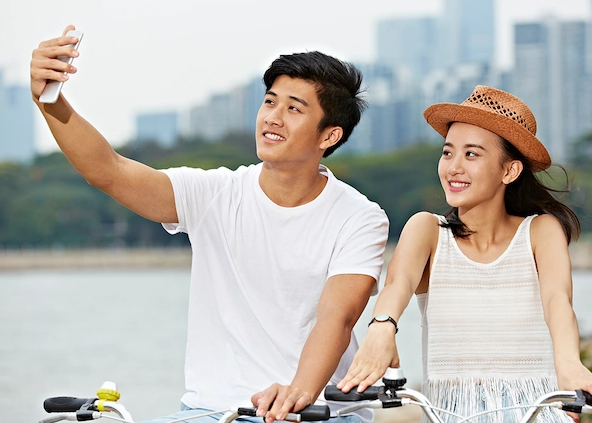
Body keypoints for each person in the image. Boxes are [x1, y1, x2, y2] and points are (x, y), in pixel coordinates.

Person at [30, 26, 389, 423]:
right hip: (212, 411)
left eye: (294, 108)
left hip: (320, 412)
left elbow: (337, 317)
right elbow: (109, 171)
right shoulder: (215, 193)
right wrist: (51, 101)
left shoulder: (359, 217)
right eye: (269, 102)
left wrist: (298, 393)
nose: (273, 117)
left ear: (330, 135)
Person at [336, 86, 592, 423]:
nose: (453, 167)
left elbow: (558, 302)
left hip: (538, 408)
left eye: (472, 155)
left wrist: (569, 363)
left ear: (509, 171)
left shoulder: (540, 231)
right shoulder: (427, 230)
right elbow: (397, 285)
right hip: (450, 412)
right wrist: (382, 327)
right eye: (448, 153)